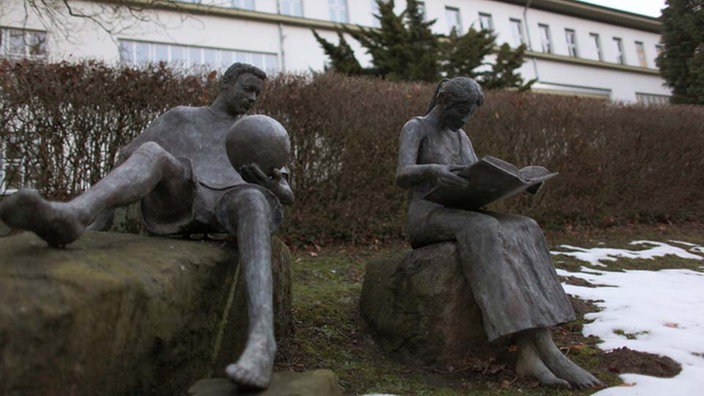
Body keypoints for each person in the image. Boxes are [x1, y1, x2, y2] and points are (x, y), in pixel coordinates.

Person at [0, 63, 292, 389]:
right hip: (183, 196)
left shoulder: (255, 134)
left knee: (253, 199)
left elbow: (285, 192)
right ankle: (72, 217)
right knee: (152, 151)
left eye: (257, 93)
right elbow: (128, 158)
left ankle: (262, 341)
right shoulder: (181, 117)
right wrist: (102, 220)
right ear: (225, 84)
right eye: (247, 88)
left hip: (230, 204)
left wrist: (270, 187)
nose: (252, 98)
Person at [395, 77, 603, 389]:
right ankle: (545, 349)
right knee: (484, 227)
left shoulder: (461, 136)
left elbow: (474, 175)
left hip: (459, 209)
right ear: (444, 103)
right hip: (426, 213)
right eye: (462, 111)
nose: (465, 119)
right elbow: (402, 174)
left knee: (526, 226)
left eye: (470, 113)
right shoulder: (417, 127)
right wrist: (432, 171)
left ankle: (531, 353)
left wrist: (521, 182)